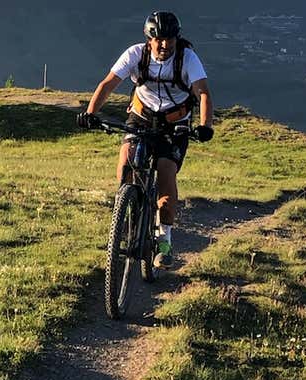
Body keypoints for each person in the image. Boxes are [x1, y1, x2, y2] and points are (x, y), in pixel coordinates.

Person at [77, 11, 214, 268]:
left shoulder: (187, 58)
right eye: (158, 39)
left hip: (174, 124)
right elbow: (109, 83)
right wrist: (90, 113)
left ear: (177, 38)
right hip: (141, 116)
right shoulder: (135, 55)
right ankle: (127, 212)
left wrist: (205, 126)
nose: (164, 44)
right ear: (149, 39)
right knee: (126, 162)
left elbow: (203, 93)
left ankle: (164, 241)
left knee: (165, 177)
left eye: (169, 39)